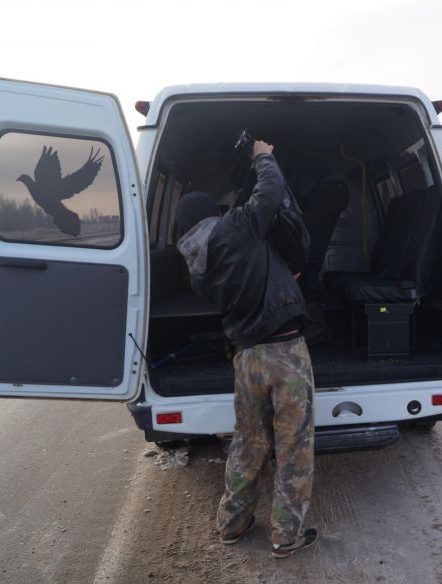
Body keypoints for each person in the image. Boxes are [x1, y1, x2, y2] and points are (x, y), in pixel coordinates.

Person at [175, 140, 317, 558]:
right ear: (210, 215)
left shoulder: (198, 264)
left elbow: (249, 274)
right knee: (294, 446)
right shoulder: (234, 227)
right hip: (286, 352)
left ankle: (232, 524)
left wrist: (279, 274)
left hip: (247, 358)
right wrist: (262, 157)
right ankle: (285, 536)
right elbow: (270, 194)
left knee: (249, 443)